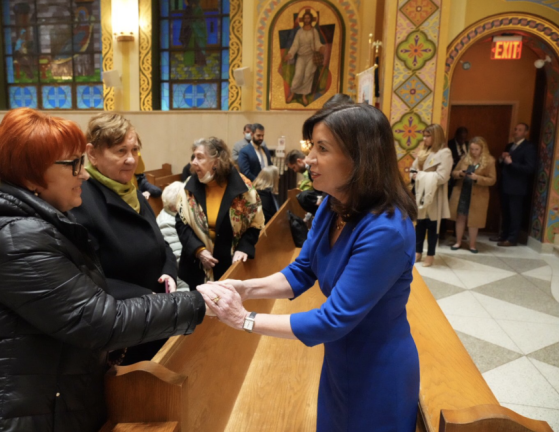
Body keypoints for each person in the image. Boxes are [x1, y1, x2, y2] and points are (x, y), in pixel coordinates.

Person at [0, 108, 205, 432]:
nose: (83, 174)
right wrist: (200, 302)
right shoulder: (15, 237)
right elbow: (98, 320)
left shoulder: (34, 222)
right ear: (31, 175)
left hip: (33, 404)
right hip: (0, 417)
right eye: (74, 164)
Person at [198, 104, 419, 432]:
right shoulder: (335, 205)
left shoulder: (385, 230)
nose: (309, 158)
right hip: (339, 360)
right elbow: (302, 271)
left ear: (360, 157)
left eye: (322, 148)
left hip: (377, 370)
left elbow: (333, 320)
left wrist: (243, 319)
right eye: (311, 146)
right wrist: (243, 288)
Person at [70, 113, 180, 364]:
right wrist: (143, 295)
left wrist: (169, 272)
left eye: (134, 149)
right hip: (121, 328)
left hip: (154, 316)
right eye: (120, 151)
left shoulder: (133, 192)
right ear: (93, 153)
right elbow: (84, 274)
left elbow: (159, 242)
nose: (131, 159)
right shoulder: (80, 199)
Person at [176, 137, 264, 290]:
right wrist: (199, 250)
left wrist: (244, 247)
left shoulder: (243, 187)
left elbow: (256, 224)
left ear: (216, 161)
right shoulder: (189, 187)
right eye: (194, 156)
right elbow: (181, 223)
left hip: (230, 266)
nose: (193, 162)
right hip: (197, 267)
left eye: (200, 157)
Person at [411, 124, 452, 267]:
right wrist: (414, 175)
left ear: (436, 136)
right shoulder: (423, 152)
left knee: (432, 225)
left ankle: (430, 254)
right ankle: (417, 252)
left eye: (428, 136)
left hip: (434, 195)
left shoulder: (444, 153)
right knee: (420, 224)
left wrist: (420, 176)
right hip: (420, 193)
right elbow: (412, 169)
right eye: (424, 135)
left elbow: (443, 176)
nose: (424, 138)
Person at [490, 123, 537, 247]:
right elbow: (503, 165)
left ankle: (512, 239)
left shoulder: (529, 147)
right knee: (505, 212)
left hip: (517, 187)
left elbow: (529, 168)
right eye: (515, 129)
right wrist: (501, 159)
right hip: (505, 185)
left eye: (520, 130)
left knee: (515, 213)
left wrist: (511, 163)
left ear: (526, 132)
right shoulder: (510, 146)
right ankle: (504, 235)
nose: (516, 132)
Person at [449, 137, 496, 253]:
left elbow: (492, 180)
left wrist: (477, 178)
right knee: (460, 217)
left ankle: (472, 244)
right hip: (462, 191)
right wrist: (460, 173)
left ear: (482, 149)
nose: (473, 152)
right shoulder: (465, 158)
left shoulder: (489, 161)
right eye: (471, 149)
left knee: (474, 220)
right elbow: (453, 172)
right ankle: (458, 242)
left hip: (478, 194)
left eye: (476, 149)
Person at [156, 181, 190, 291]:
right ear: (175, 206)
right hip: (182, 280)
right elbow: (178, 258)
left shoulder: (177, 215)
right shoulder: (166, 223)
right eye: (186, 199)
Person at [286, 11, 324, 104]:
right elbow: (295, 45)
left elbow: (317, 43)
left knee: (307, 75)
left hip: (310, 56)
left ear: (311, 19)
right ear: (303, 19)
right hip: (301, 56)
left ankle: (304, 95)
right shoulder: (299, 32)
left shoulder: (314, 31)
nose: (307, 20)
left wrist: (321, 48)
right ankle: (293, 93)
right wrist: (290, 54)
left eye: (308, 18)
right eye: (305, 18)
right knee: (298, 74)